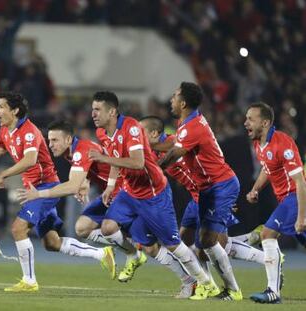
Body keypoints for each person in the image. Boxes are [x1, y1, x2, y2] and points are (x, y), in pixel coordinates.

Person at [0, 92, 115, 292]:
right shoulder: (6, 131)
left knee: (18, 228)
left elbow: (30, 160)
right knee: (51, 242)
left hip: (45, 186)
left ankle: (29, 281)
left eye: (1, 107)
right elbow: (0, 148)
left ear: (15, 110)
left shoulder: (29, 131)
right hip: (33, 189)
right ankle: (101, 254)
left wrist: (4, 174)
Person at [88, 91, 217, 300]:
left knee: (174, 244)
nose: (93, 114)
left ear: (112, 112)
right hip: (130, 193)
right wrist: (111, 186)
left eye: (97, 109)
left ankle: (205, 282)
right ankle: (134, 255)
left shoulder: (130, 127)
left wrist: (103, 158)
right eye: (92, 109)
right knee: (109, 228)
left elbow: (138, 163)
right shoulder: (103, 133)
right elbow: (115, 159)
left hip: (153, 194)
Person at [16, 119, 147, 283]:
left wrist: (39, 194)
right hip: (110, 194)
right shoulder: (71, 153)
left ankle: (136, 250)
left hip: (126, 192)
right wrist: (86, 182)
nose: (51, 145)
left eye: (55, 140)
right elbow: (95, 168)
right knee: (82, 228)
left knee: (139, 239)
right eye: (49, 140)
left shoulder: (81, 149)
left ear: (69, 139)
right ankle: (131, 252)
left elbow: (72, 186)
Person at [140, 116, 264, 269]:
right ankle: (248, 240)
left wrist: (220, 199)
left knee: (216, 246)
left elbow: (174, 148)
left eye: (141, 133)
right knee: (186, 243)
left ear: (153, 134)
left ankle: (267, 258)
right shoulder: (152, 153)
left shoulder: (175, 141)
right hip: (196, 197)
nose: (138, 138)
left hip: (209, 192)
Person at [158, 82, 242, 300]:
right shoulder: (186, 122)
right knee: (190, 238)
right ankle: (208, 285)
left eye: (175, 96)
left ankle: (232, 289)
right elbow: (176, 144)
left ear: (183, 102)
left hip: (220, 186)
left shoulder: (192, 126)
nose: (171, 100)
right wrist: (150, 148)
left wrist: (153, 167)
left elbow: (175, 153)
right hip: (207, 188)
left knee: (208, 240)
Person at [244, 102, 306, 304]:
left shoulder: (284, 143)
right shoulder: (259, 144)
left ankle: (273, 291)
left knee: (267, 234)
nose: (246, 123)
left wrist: (301, 216)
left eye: (250, 119)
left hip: (295, 196)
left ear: (265, 122)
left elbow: (300, 182)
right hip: (286, 199)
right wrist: (255, 189)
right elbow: (267, 168)